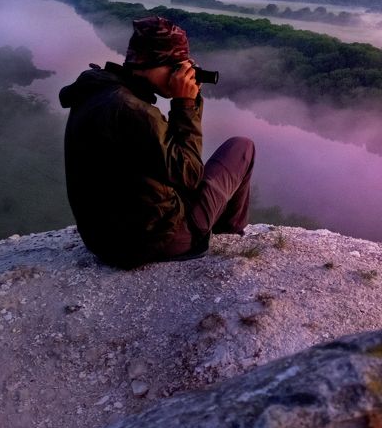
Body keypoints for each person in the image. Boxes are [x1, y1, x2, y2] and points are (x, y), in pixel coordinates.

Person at [59, 16, 255, 268]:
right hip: (153, 241)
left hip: (104, 240)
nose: (181, 75)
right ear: (156, 63)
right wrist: (185, 104)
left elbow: (166, 164)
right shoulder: (133, 112)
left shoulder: (98, 92)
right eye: (177, 68)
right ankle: (225, 234)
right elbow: (189, 174)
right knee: (241, 147)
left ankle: (209, 226)